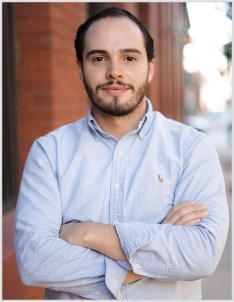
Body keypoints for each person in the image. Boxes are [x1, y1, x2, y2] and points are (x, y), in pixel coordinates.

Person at [14, 7, 229, 300]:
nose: (114, 71)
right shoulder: (49, 152)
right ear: (80, 69)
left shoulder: (191, 148)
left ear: (150, 68)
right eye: (99, 58)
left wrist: (88, 233)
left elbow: (201, 254)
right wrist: (152, 252)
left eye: (129, 57)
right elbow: (34, 263)